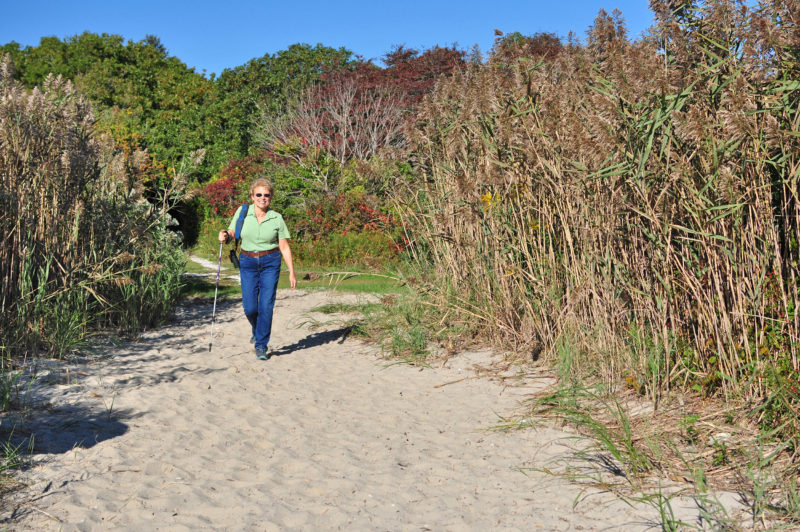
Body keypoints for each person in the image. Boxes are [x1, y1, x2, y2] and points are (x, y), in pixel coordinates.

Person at [218, 178, 296, 360]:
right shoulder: (243, 212)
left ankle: (261, 345)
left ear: (271, 197)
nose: (263, 198)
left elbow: (284, 247)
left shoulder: (277, 218)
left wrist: (292, 271)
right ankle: (256, 329)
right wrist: (223, 235)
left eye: (266, 195)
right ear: (252, 196)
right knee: (250, 307)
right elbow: (232, 233)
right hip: (248, 261)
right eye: (259, 194)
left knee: (266, 305)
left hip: (271, 261)